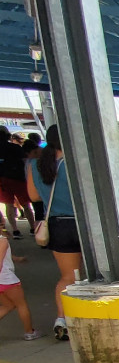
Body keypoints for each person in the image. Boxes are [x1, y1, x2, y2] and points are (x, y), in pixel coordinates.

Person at [26, 124, 78, 341]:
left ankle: (62, 319)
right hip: (85, 224)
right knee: (98, 273)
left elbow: (34, 197)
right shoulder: (77, 163)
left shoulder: (35, 165)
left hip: (58, 226)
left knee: (67, 277)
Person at [0, 229, 42, 340]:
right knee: (21, 305)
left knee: (8, 306)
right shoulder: (2, 241)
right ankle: (29, 332)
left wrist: (18, 259)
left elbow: (6, 255)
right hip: (7, 279)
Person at [0, 127, 36, 238]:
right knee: (26, 204)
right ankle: (33, 228)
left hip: (2, 180)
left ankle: (15, 230)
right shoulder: (15, 147)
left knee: (9, 205)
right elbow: (24, 160)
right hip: (18, 178)